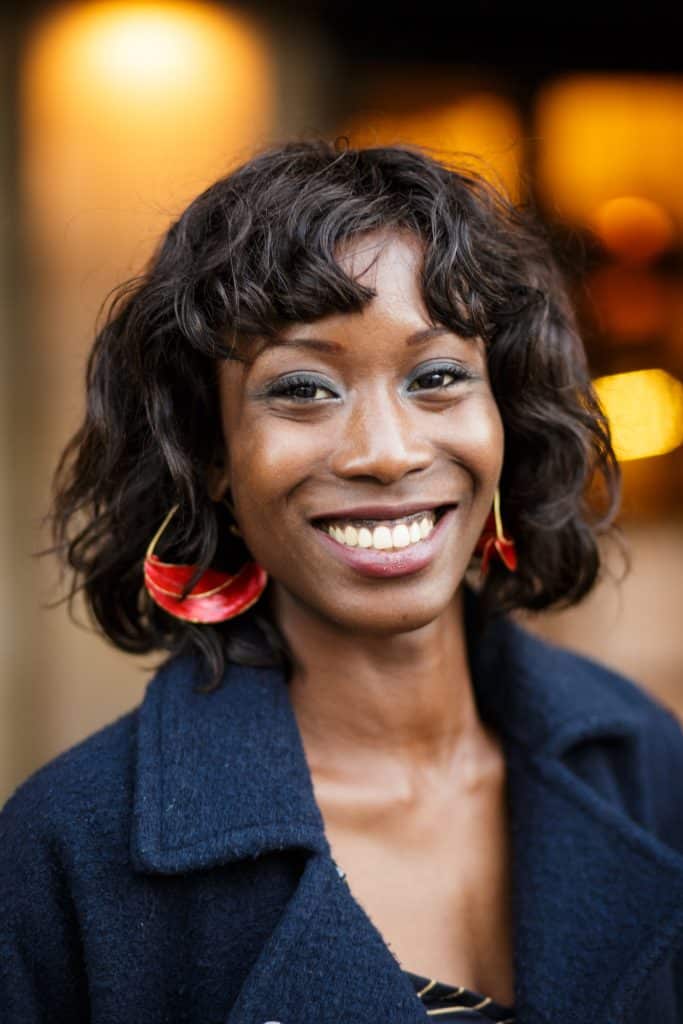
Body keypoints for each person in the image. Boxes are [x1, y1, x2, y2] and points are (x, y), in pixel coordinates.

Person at [1, 139, 682, 1024]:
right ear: (211, 454)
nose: (386, 452)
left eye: (437, 377)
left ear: (503, 417)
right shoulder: (66, 853)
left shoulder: (644, 759)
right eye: (304, 389)